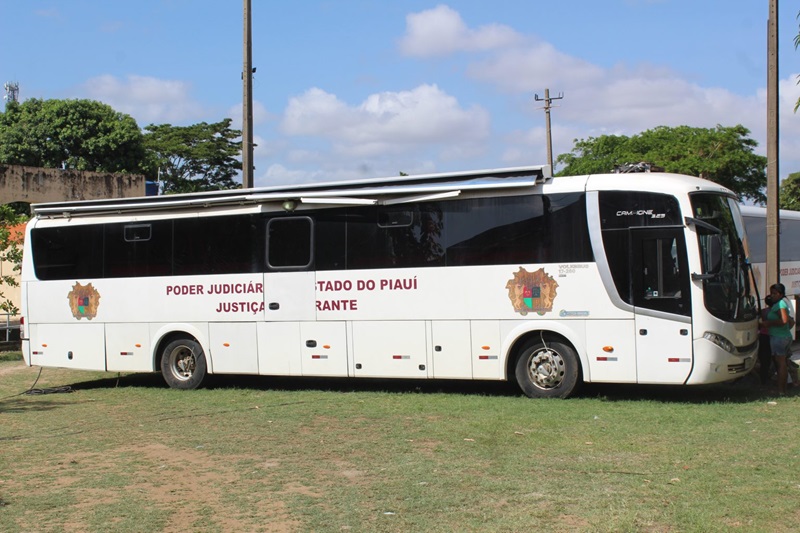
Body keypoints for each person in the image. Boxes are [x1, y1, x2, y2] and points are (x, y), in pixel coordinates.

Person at [759, 283, 795, 394]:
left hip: (779, 338)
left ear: (780, 294)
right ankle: (782, 389)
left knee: (781, 364)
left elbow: (784, 320)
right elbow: (790, 321)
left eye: (775, 293)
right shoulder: (781, 303)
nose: (772, 296)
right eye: (771, 293)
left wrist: (768, 323)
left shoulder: (780, 304)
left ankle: (781, 390)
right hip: (783, 336)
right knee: (782, 363)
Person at [757, 295, 774, 386]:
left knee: (764, 360)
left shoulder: (763, 312)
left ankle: (763, 380)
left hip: (764, 337)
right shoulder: (776, 312)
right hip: (773, 336)